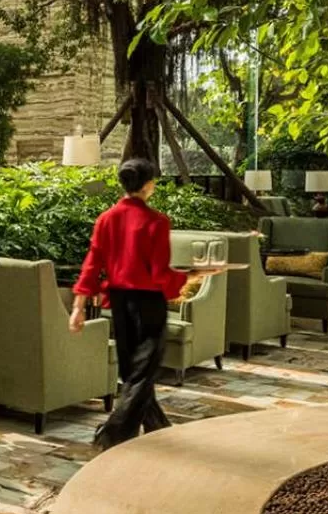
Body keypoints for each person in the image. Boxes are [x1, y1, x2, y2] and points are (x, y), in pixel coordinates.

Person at [70, 158, 220, 451]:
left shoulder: (106, 219)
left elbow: (92, 265)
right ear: (149, 185)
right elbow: (160, 275)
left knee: (133, 372)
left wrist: (78, 306)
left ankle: (158, 429)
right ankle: (112, 435)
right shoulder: (156, 222)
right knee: (142, 373)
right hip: (148, 305)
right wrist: (193, 275)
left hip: (119, 305)